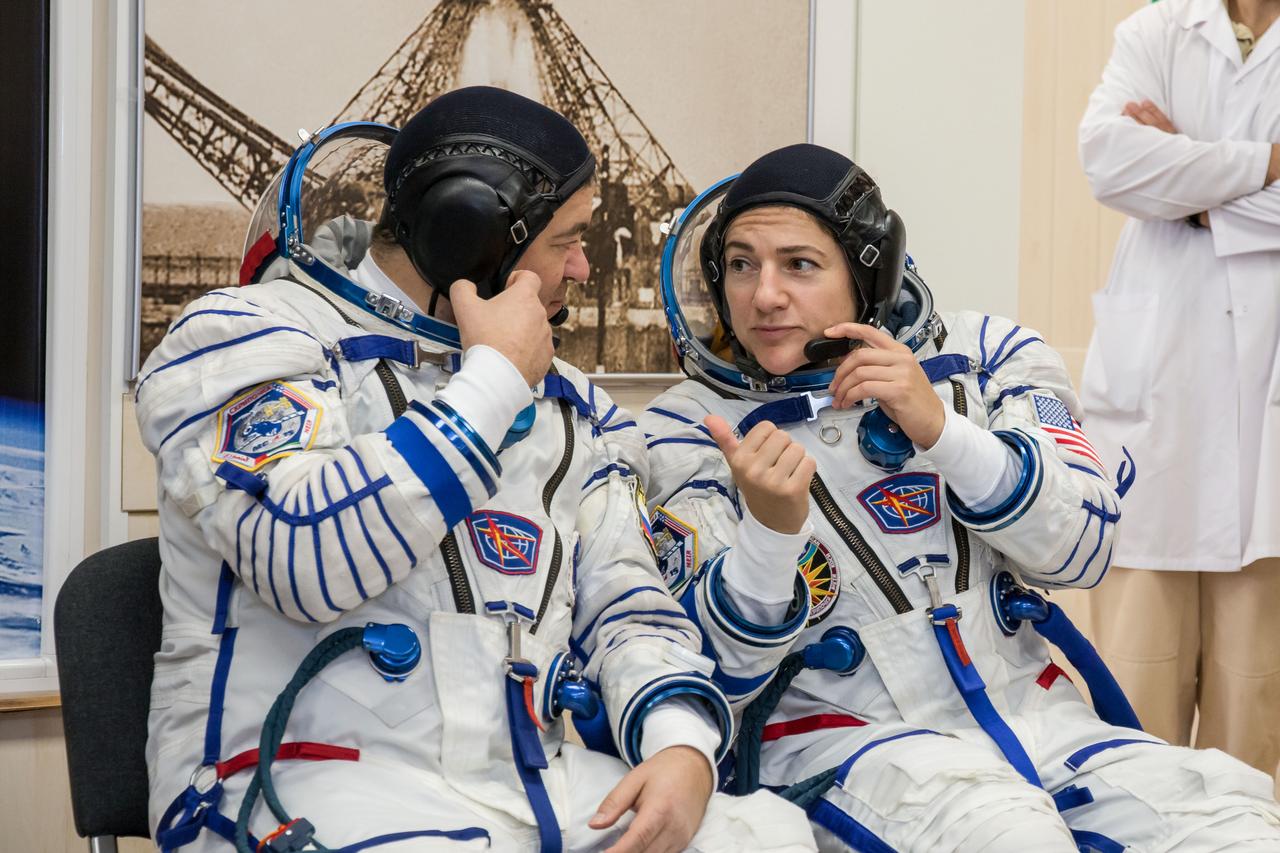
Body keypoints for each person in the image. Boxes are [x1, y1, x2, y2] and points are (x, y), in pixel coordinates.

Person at [136, 87, 815, 853]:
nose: (585, 267)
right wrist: (491, 381)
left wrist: (679, 744)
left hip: (520, 786)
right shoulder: (245, 338)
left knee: (768, 835)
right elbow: (305, 557)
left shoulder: (575, 407)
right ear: (472, 233)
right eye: (568, 239)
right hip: (299, 780)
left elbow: (627, 600)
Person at [641, 142, 1280, 851]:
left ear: (866, 272)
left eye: (799, 263)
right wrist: (767, 534)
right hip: (846, 740)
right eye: (740, 265)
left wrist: (944, 433)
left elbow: (1085, 551)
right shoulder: (689, 427)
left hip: (1036, 715)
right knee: (1011, 837)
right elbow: (713, 672)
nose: (763, 295)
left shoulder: (989, 358)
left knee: (1238, 822)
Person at [1077, 0, 1280, 776]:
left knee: (1254, 734)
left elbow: (1151, 173)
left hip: (1266, 433)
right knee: (1132, 720)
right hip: (1154, 424)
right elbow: (1108, 159)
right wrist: (1267, 161)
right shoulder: (1156, 30)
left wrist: (1188, 178)